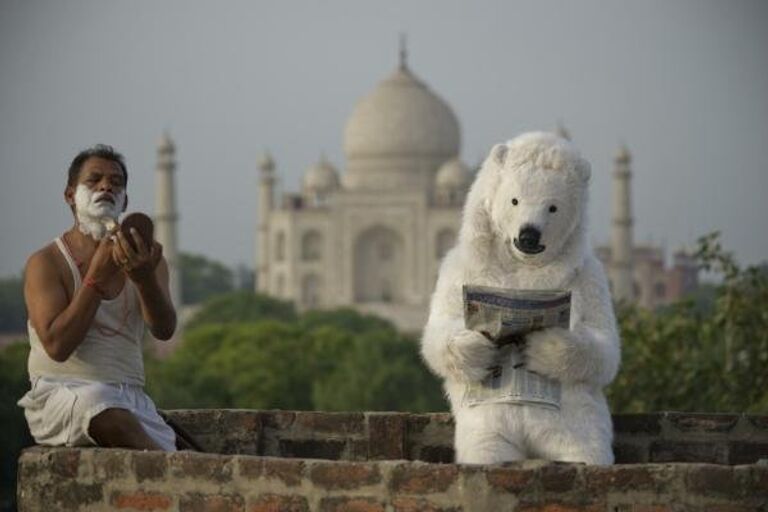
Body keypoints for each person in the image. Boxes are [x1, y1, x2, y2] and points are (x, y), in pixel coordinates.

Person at [18, 144, 177, 451]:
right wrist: (95, 279)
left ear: (125, 200)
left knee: (148, 433)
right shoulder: (48, 262)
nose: (106, 186)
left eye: (116, 182)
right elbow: (57, 346)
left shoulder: (146, 258)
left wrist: (144, 281)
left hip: (131, 398)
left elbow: (164, 329)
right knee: (102, 406)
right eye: (94, 180)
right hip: (64, 394)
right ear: (70, 196)